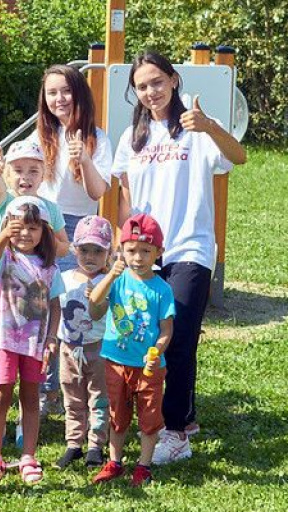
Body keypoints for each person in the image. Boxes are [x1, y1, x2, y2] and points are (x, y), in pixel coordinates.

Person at [112, 51, 246, 465]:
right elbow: (127, 197)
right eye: (142, 86)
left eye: (157, 82)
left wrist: (208, 127)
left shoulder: (197, 127)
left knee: (179, 337)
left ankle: (174, 433)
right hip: (146, 254)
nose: (151, 92)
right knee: (149, 335)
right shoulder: (131, 137)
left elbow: (238, 157)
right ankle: (181, 418)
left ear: (173, 81)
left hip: (190, 248)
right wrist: (124, 245)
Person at [0, 197, 62, 485]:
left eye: (33, 228)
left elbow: (55, 304)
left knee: (30, 398)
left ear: (44, 232)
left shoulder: (50, 267)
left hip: (35, 345)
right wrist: (3, 235)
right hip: (3, 341)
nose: (26, 234)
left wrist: (52, 337)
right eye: (19, 228)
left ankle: (29, 455)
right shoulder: (5, 257)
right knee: (0, 396)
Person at [88, 214, 175, 487]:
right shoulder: (117, 280)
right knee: (117, 414)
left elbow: (166, 329)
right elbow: (94, 307)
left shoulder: (162, 290)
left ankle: (143, 465)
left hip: (149, 366)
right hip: (116, 360)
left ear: (158, 253)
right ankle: (115, 462)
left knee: (149, 416)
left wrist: (157, 351)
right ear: (121, 251)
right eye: (131, 250)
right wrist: (110, 276)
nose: (138, 257)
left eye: (146, 251)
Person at [27, 64, 113, 272]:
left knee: (70, 291)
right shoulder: (40, 136)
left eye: (66, 91)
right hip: (43, 221)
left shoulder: (98, 138)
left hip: (79, 226)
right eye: (52, 93)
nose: (59, 98)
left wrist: (84, 160)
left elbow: (97, 193)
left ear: (79, 94)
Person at [54, 216, 112, 469]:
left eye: (98, 251)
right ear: (75, 249)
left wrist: (98, 298)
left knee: (98, 397)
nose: (90, 256)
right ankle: (74, 443)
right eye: (85, 250)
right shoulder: (64, 277)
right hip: (68, 348)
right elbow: (54, 310)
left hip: (98, 349)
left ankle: (96, 445)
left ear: (108, 252)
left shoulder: (108, 282)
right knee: (72, 397)